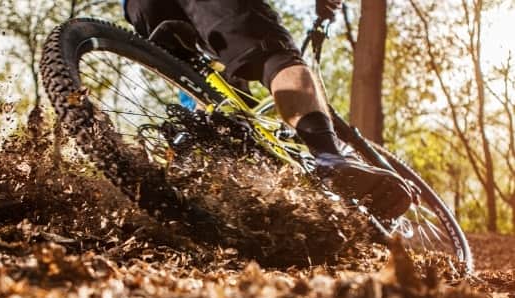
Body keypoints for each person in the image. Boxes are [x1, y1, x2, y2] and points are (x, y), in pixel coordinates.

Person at [123, 0, 412, 219]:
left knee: (212, 100)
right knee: (274, 56)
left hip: (142, 8)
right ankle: (330, 158)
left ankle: (210, 190)